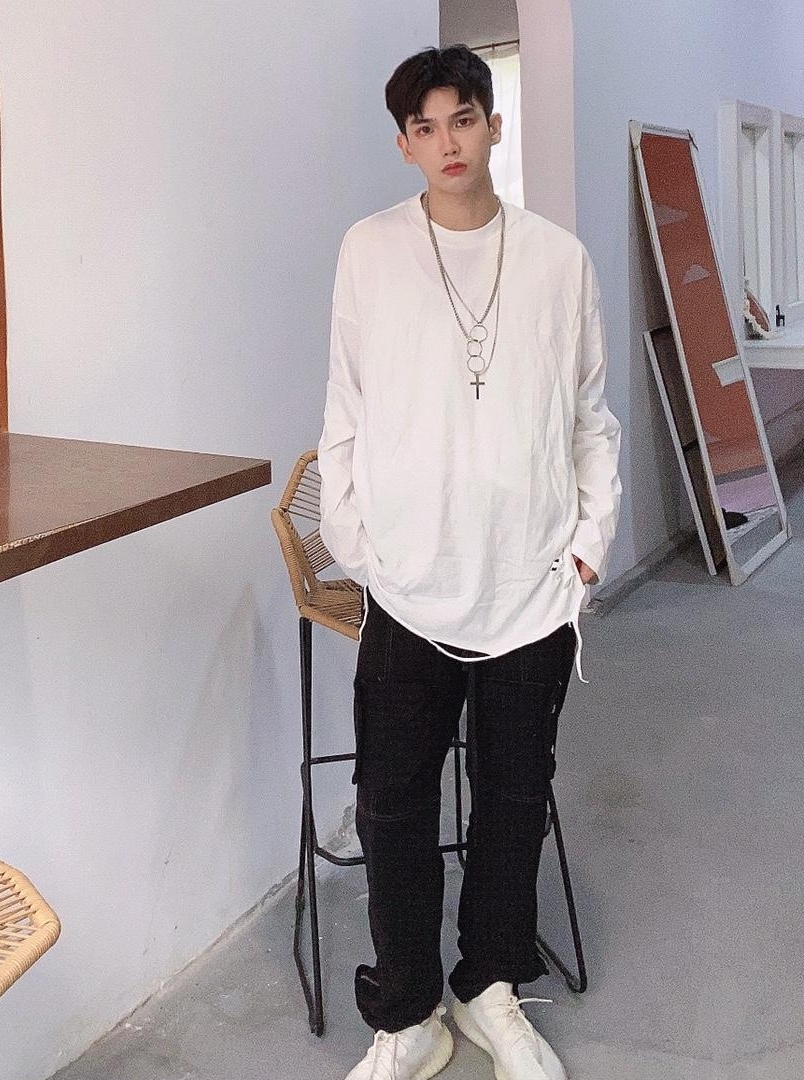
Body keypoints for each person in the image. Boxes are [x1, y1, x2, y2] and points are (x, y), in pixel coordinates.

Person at [318, 45, 621, 1080]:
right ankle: (409, 1012)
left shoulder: (558, 261)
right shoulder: (369, 250)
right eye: (425, 126)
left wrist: (587, 547)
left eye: (463, 119)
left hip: (531, 589)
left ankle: (488, 984)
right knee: (392, 803)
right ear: (404, 144)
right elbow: (346, 407)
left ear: (494, 124)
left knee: (514, 799)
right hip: (409, 587)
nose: (447, 142)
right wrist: (358, 544)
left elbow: (589, 419)